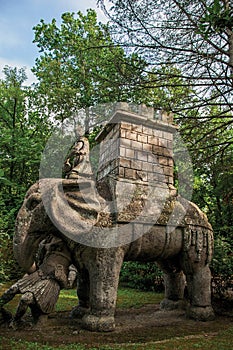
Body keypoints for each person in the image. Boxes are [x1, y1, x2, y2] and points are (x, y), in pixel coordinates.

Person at [0, 234, 76, 328]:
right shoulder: (48, 240)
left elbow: (68, 284)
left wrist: (61, 277)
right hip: (38, 274)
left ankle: (16, 321)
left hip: (51, 282)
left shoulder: (75, 249)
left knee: (26, 298)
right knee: (12, 289)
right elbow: (38, 261)